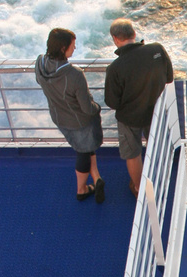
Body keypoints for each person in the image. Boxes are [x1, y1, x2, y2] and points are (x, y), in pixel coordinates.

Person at [104, 18, 174, 198]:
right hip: (156, 112)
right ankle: (160, 180)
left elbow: (112, 102)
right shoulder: (157, 49)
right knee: (155, 146)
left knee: (133, 153)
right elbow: (169, 78)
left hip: (130, 117)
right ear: (134, 34)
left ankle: (138, 188)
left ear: (115, 39)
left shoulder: (115, 68)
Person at [35, 28, 105, 202]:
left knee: (85, 147)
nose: (75, 48)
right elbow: (87, 109)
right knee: (83, 151)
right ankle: (81, 190)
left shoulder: (39, 64)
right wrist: (97, 107)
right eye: (72, 46)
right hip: (79, 121)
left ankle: (96, 178)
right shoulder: (74, 75)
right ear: (62, 48)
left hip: (59, 116)